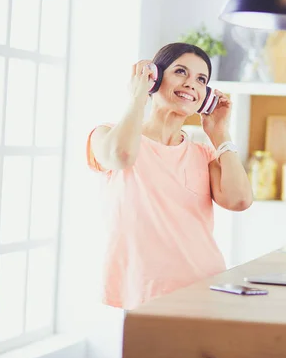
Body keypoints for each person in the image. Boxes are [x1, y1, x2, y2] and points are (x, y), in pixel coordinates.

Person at [86, 43, 253, 310]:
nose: (191, 84)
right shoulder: (105, 135)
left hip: (205, 287)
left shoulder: (204, 153)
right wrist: (137, 97)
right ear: (154, 78)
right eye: (180, 72)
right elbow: (121, 156)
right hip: (142, 290)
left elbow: (240, 200)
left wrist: (220, 134)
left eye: (201, 80)